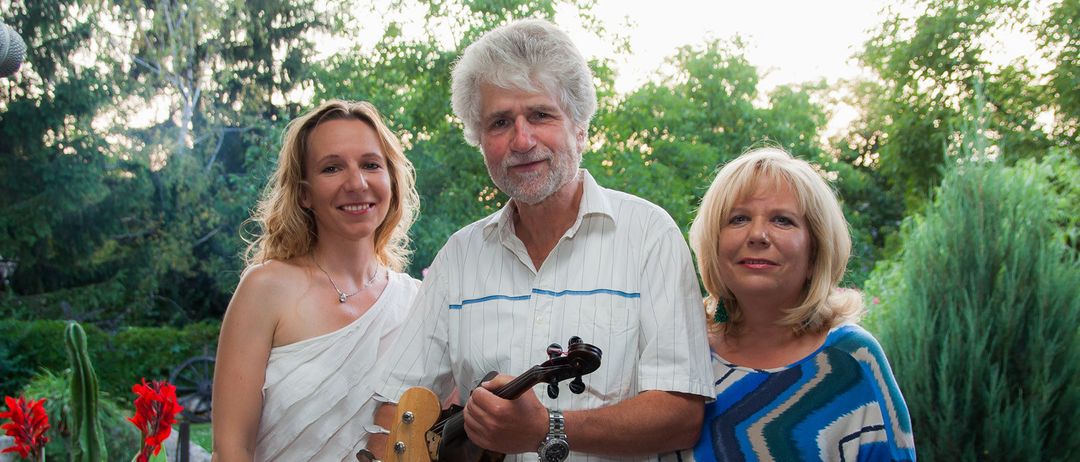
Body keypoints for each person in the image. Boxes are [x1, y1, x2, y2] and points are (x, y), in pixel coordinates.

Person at [364, 18, 713, 462]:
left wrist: (547, 427)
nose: (522, 140)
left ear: (580, 127)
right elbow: (398, 404)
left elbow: (681, 417)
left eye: (541, 114)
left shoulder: (650, 235)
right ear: (480, 140)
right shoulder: (459, 257)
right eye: (499, 122)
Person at [211, 100, 421, 462]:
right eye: (332, 168)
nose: (356, 183)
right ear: (304, 193)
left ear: (391, 180)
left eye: (371, 165)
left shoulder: (417, 301)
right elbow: (231, 449)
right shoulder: (264, 290)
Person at [687, 147, 916, 461]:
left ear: (815, 252)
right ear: (713, 245)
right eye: (738, 218)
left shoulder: (853, 360)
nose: (757, 235)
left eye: (782, 220)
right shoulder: (684, 349)